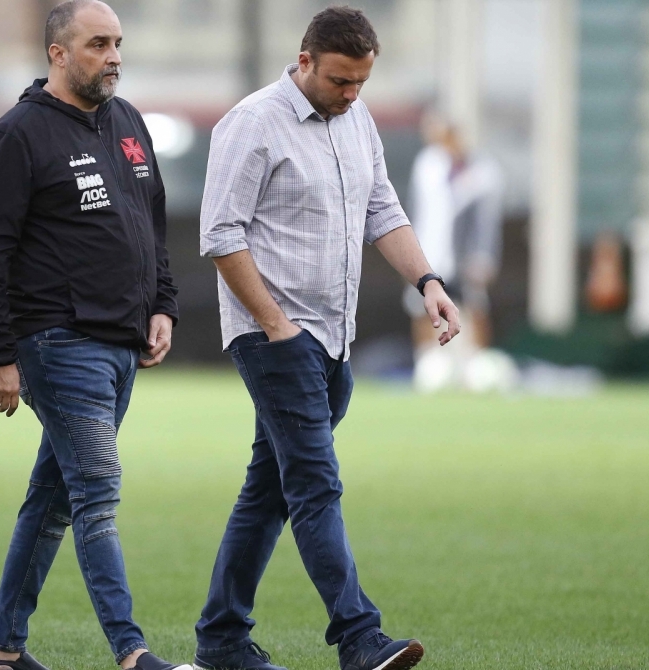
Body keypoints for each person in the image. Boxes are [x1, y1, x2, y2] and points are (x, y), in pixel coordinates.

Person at [196, 7, 460, 670]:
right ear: (305, 60)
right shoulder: (253, 123)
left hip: (333, 340)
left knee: (271, 489)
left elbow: (383, 211)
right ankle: (359, 637)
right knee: (315, 484)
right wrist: (276, 325)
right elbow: (220, 236)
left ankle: (222, 639)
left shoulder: (357, 120)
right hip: (275, 335)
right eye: (340, 81)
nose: (351, 95)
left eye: (361, 83)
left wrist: (427, 280)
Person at [0, 3, 183, 670]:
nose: (113, 55)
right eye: (97, 44)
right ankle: (132, 650)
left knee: (52, 499)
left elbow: (153, 225)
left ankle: (2, 651)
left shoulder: (129, 122)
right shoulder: (18, 135)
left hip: (122, 345)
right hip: (58, 343)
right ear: (58, 53)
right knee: (97, 493)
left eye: (117, 43)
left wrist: (163, 305)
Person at [407, 114, 503, 349]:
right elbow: (416, 210)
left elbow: (486, 221)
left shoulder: (481, 170)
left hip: (466, 257)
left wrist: (484, 256)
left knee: (475, 306)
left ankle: (477, 359)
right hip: (430, 253)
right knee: (421, 307)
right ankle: (428, 357)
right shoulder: (427, 166)